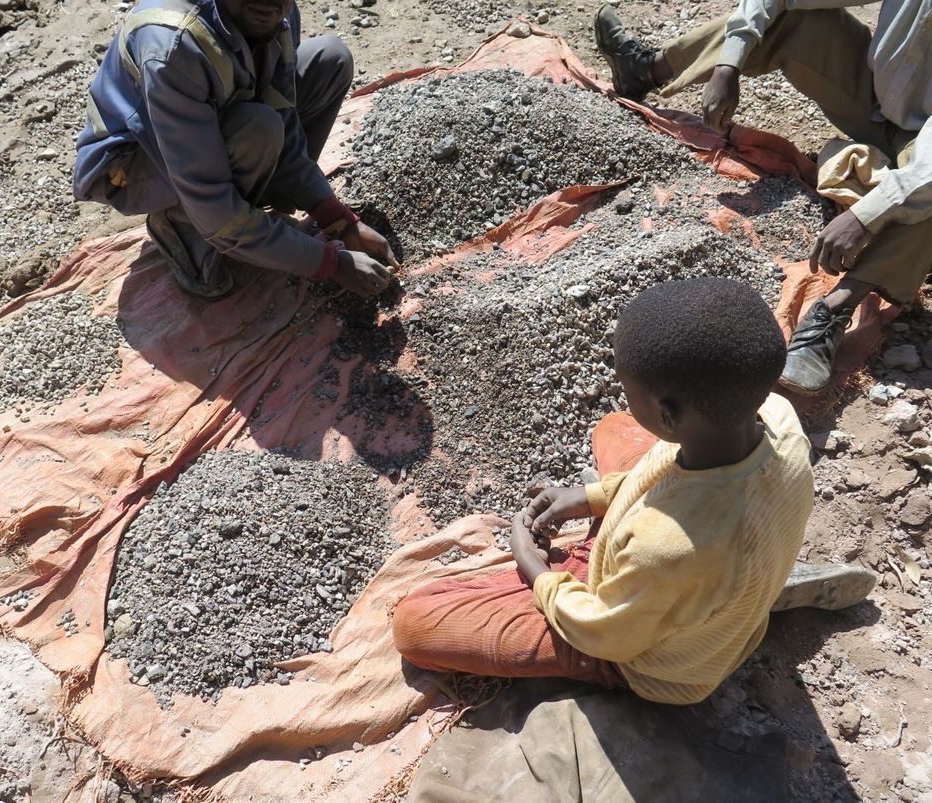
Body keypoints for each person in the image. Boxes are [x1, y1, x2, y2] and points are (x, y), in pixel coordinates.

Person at [392, 278, 874, 705]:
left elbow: (606, 635)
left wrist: (535, 567)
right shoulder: (780, 422)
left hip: (644, 654)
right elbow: (664, 469)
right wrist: (592, 497)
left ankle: (652, 582)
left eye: (627, 386)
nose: (623, 393)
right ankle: (745, 588)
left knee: (415, 623)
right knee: (617, 429)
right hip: (706, 558)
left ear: (668, 413)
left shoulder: (666, 550)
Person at [594, 0, 932, 395]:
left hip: (923, 145)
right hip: (876, 99)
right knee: (798, 19)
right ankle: (644, 69)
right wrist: (728, 65)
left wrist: (865, 216)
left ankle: (833, 312)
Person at [72, 0, 397, 301]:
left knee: (330, 58)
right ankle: (185, 231)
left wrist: (338, 220)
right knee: (257, 130)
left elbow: (286, 122)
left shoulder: (274, 12)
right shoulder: (174, 46)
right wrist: (330, 263)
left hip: (210, 122)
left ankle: (254, 214)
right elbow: (214, 203)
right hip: (127, 166)